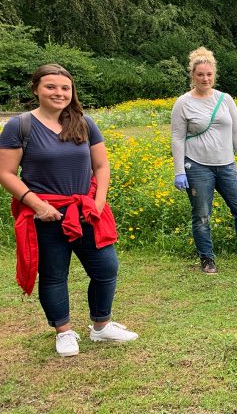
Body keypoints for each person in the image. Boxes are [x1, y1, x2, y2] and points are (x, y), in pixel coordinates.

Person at [0, 64, 138, 357]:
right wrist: (37, 204)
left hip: (86, 211)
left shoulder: (84, 123)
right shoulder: (19, 126)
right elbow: (6, 172)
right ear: (36, 89)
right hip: (45, 214)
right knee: (53, 274)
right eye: (50, 87)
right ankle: (63, 332)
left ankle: (101, 326)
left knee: (106, 267)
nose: (59, 93)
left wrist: (99, 202)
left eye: (65, 88)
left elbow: (101, 166)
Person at [171, 47, 237, 274]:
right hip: (197, 166)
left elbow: (236, 133)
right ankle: (207, 259)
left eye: (209, 74)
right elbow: (177, 138)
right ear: (192, 75)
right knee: (202, 215)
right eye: (200, 74)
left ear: (214, 75)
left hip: (227, 165)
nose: (205, 79)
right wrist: (179, 170)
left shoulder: (225, 99)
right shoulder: (183, 103)